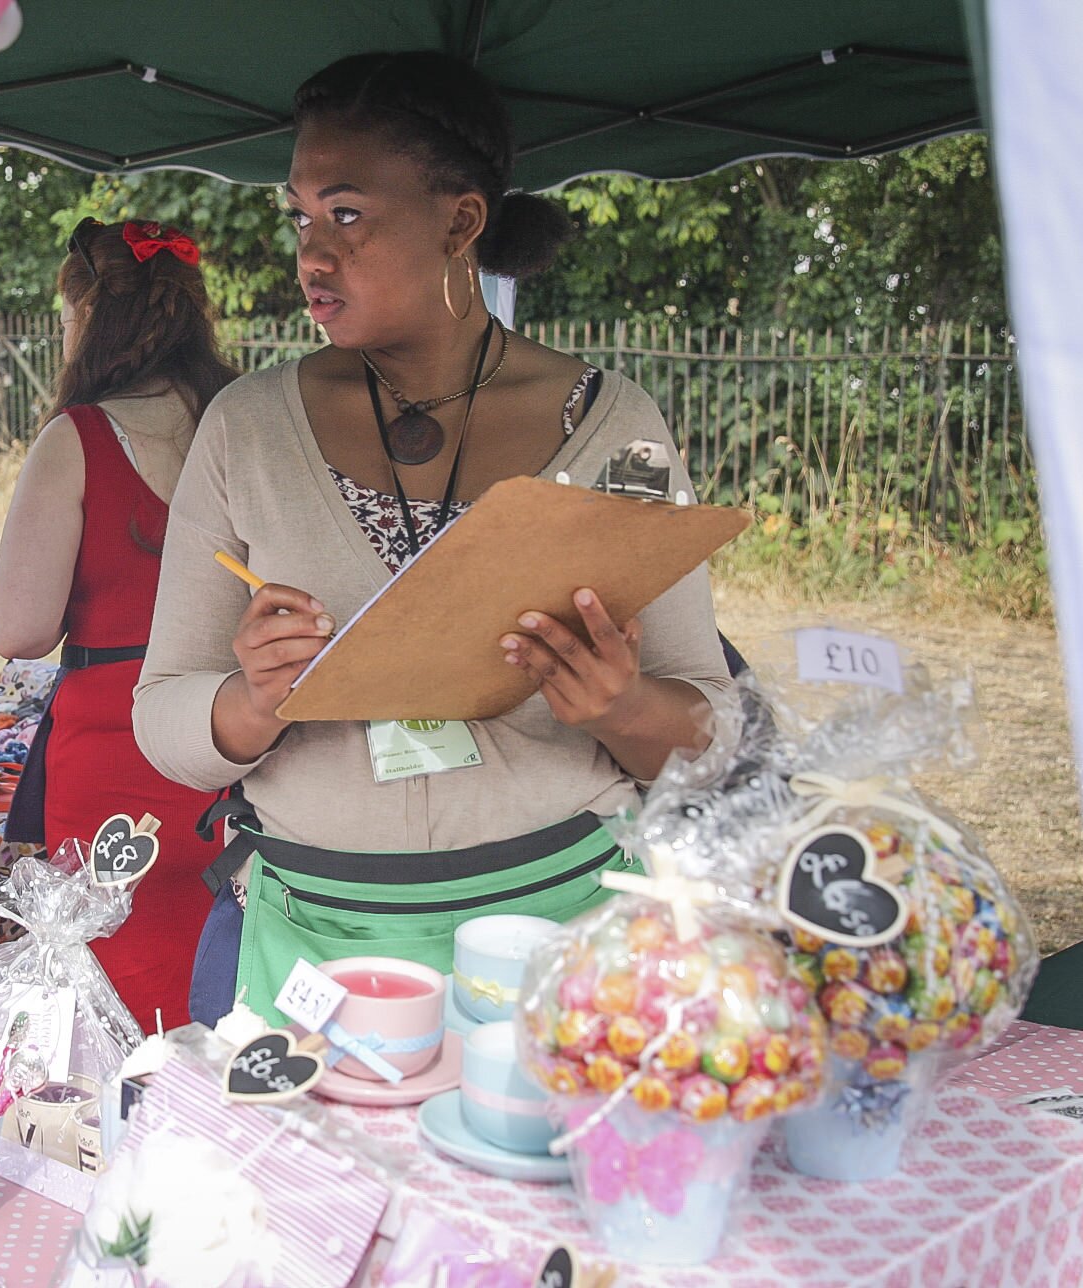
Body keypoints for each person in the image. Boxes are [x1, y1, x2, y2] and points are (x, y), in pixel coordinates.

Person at [133, 52, 734, 1024]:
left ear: (460, 221)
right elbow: (162, 715)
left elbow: (710, 726)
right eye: (299, 216)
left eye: (347, 213)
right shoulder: (248, 428)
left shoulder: (613, 425)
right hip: (315, 951)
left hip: (566, 945)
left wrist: (622, 706)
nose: (312, 255)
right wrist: (250, 704)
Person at [0, 218, 242, 1031]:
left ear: (90, 316)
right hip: (240, 730)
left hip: (117, 749)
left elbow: (19, 630)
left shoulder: (79, 438)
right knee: (233, 969)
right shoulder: (250, 423)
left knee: (122, 996)